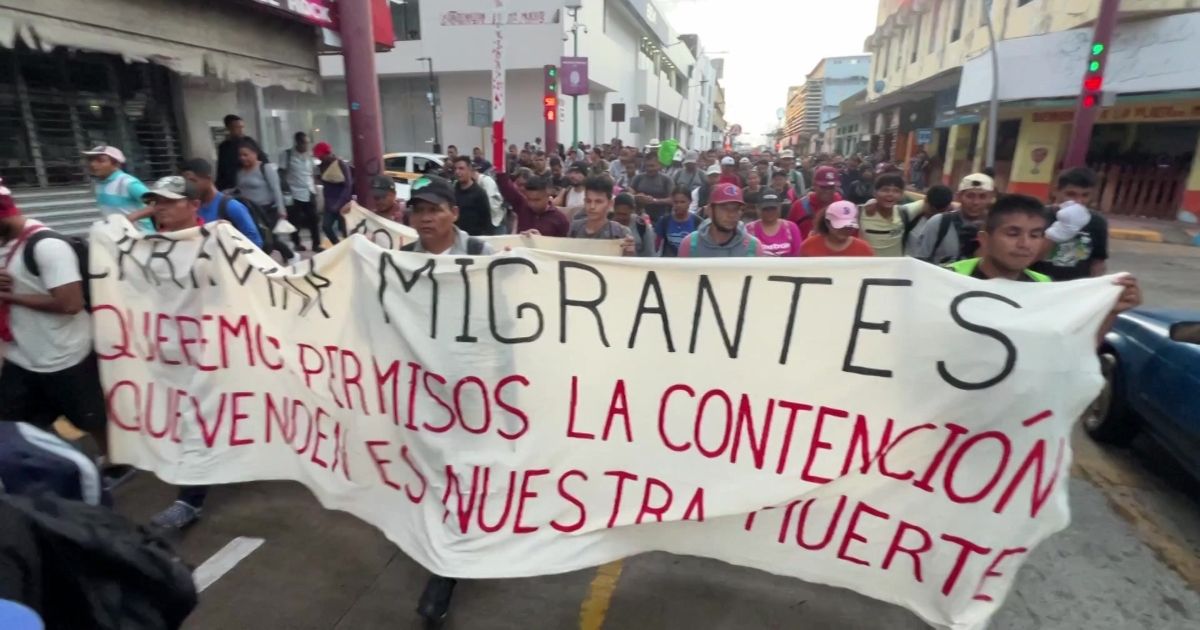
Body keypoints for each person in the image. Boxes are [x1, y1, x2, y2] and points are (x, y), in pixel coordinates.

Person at [0, 183, 108, 459]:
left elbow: (70, 303)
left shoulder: (47, 246)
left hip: (66, 356)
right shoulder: (5, 243)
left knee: (92, 421)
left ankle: (116, 462)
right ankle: (61, 463)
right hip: (22, 357)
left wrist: (13, 299)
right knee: (18, 423)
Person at [946, 193, 1142, 331]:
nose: (1025, 244)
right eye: (1013, 233)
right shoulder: (947, 279)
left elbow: (1073, 349)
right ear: (985, 239)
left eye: (1035, 235)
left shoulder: (1045, 288)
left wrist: (1111, 312)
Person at [1032, 167, 1109, 281]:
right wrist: (1058, 232)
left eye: (1085, 195)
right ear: (1056, 191)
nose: (1078, 201)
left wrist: (1095, 287)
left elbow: (1097, 262)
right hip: (1037, 284)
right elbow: (1025, 259)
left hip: (1074, 288)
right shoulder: (1037, 216)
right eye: (1071, 194)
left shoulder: (1097, 221)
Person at [235, 140, 296, 263]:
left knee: (269, 239)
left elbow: (276, 189)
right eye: (240, 155)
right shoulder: (240, 172)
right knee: (259, 238)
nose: (242, 158)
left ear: (255, 153)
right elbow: (239, 190)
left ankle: (290, 256)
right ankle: (285, 255)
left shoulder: (265, 168)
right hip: (250, 211)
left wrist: (281, 210)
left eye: (245, 155)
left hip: (268, 211)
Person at [180, 159, 263, 248]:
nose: (190, 187)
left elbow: (256, 241)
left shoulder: (231, 206)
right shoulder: (191, 208)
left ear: (209, 179)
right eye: (187, 183)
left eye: (193, 181)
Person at [913, 173, 995, 264]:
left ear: (990, 198)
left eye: (982, 197)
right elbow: (920, 261)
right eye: (970, 196)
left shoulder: (996, 230)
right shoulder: (939, 223)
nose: (976, 202)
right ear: (959, 196)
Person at [404, 176, 496, 256]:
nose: (425, 218)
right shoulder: (403, 257)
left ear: (454, 213)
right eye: (418, 210)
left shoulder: (480, 253)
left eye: (434, 210)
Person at [677, 183, 764, 257]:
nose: (732, 214)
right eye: (725, 208)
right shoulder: (690, 244)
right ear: (710, 210)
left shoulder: (753, 247)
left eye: (736, 209)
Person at [82, 145, 154, 231]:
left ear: (116, 164)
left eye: (100, 160)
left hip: (140, 236)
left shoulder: (128, 183)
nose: (93, 164)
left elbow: (157, 204)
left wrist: (129, 219)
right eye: (91, 160)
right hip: (117, 235)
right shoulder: (98, 183)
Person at [568, 177, 636, 256]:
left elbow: (626, 266)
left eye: (598, 202)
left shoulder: (620, 233)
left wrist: (629, 253)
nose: (592, 206)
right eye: (588, 201)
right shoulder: (574, 228)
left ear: (610, 203)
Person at [278, 132, 319, 251]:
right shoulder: (287, 155)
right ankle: (296, 243)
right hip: (294, 192)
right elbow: (281, 173)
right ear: (297, 143)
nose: (306, 146)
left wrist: (315, 189)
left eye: (307, 143)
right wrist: (285, 190)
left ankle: (316, 244)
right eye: (304, 143)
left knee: (314, 219)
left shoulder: (310, 156)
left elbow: (312, 173)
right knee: (294, 220)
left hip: (309, 191)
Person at [495, 173, 569, 237]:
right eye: (529, 199)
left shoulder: (560, 220)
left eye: (537, 200)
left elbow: (562, 248)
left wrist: (542, 241)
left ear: (548, 195)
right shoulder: (521, 206)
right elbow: (504, 184)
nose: (532, 204)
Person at [799, 200, 875, 257]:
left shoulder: (864, 249)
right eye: (840, 224)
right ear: (827, 223)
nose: (845, 229)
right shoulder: (809, 246)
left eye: (849, 225)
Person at [858, 173, 907, 257]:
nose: (890, 194)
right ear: (875, 193)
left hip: (895, 268)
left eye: (896, 191)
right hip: (866, 267)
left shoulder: (904, 211)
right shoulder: (860, 212)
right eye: (885, 190)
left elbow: (928, 200)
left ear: (901, 195)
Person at [898, 184, 954, 255]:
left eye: (939, 212)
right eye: (932, 211)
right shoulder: (910, 215)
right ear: (925, 200)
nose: (934, 216)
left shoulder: (950, 223)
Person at [788, 166, 842, 239]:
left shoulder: (842, 205)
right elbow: (789, 235)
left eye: (831, 187)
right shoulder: (799, 206)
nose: (827, 191)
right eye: (823, 187)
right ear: (814, 185)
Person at [315, 142, 352, 247]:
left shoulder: (341, 164)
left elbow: (348, 185)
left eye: (321, 156)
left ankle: (349, 249)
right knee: (326, 227)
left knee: (345, 230)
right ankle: (338, 246)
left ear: (327, 153)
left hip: (343, 203)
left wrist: (340, 203)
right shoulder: (321, 166)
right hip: (329, 204)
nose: (320, 158)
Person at [747, 192, 803, 257]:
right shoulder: (749, 229)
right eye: (765, 209)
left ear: (780, 208)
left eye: (773, 208)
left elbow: (798, 255)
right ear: (758, 209)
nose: (770, 212)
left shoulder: (791, 228)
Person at [215, 114, 262, 192]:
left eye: (242, 127)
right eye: (237, 127)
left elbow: (263, 161)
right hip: (230, 187)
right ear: (229, 128)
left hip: (250, 184)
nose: (241, 130)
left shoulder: (249, 142)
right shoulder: (224, 147)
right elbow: (221, 169)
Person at [451, 156, 493, 236]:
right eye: (455, 169)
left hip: (474, 238)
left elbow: (486, 221)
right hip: (456, 238)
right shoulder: (453, 191)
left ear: (469, 169)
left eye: (461, 168)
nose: (457, 172)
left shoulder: (479, 193)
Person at [658, 187, 702, 257]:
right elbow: (656, 246)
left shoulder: (698, 222)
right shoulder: (664, 221)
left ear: (690, 202)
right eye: (676, 202)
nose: (679, 205)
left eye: (682, 202)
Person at [611, 193, 656, 257]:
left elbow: (650, 254)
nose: (621, 217)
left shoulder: (642, 227)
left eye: (624, 214)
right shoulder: (607, 225)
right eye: (618, 214)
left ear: (633, 210)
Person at [631, 158, 674, 223]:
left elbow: (672, 199)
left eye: (652, 166)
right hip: (639, 216)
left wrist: (654, 200)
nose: (649, 169)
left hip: (660, 217)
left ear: (659, 166)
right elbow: (630, 192)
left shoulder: (666, 179)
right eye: (647, 166)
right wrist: (637, 197)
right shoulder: (638, 178)